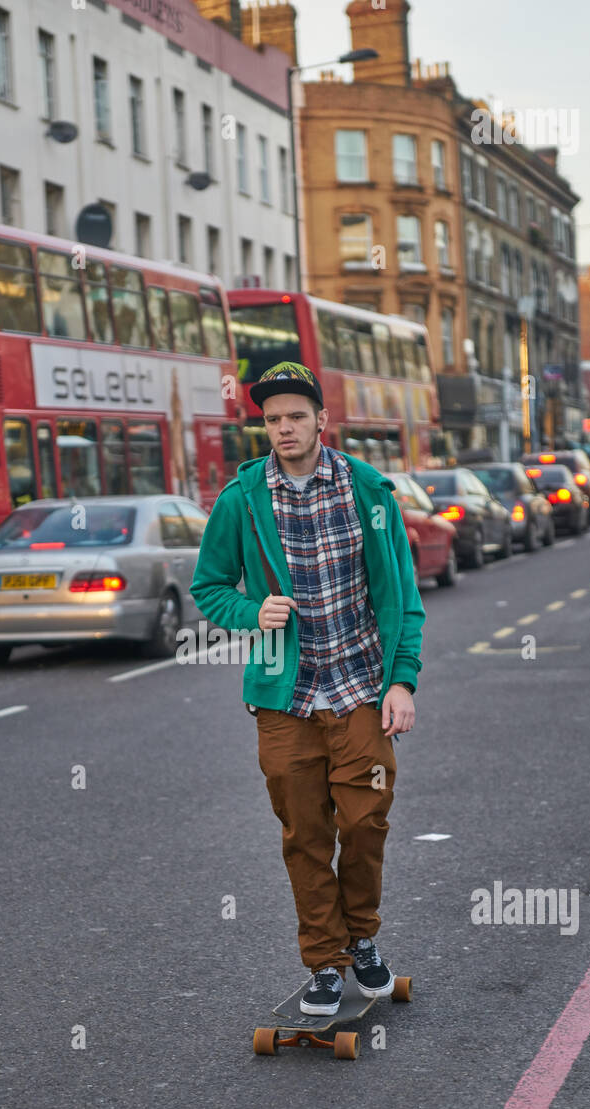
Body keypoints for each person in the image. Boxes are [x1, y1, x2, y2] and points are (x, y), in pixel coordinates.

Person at [190, 362, 425, 1016]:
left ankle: (362, 938)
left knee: (365, 821)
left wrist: (400, 682)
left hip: (357, 690)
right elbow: (208, 586)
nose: (283, 428)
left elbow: (403, 601)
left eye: (295, 415)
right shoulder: (242, 499)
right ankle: (323, 960)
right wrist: (249, 613)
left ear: (321, 419)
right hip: (282, 701)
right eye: (271, 419)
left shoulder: (370, 492)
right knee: (303, 835)